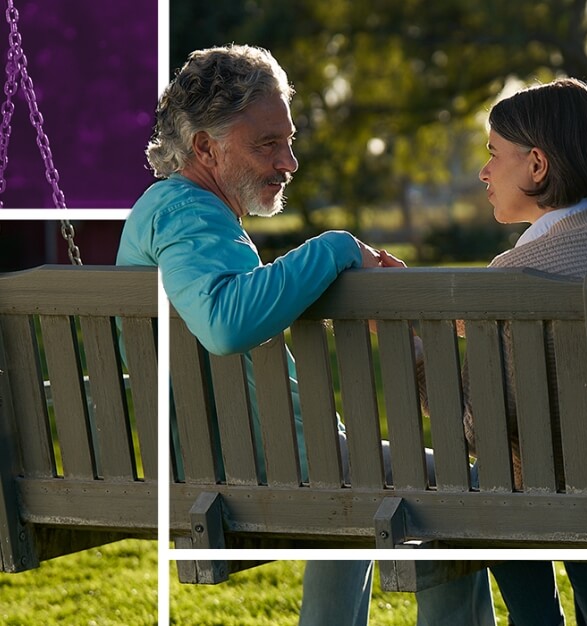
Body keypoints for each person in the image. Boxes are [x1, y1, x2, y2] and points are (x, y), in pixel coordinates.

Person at [116, 43, 493, 626]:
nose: (288, 161)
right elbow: (225, 324)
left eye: (288, 140)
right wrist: (336, 247)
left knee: (358, 471)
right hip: (261, 467)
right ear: (204, 147)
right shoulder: (186, 214)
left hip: (239, 458)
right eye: (267, 143)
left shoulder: (168, 213)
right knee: (468, 485)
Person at [382, 77, 587, 624]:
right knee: (572, 479)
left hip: (559, 494)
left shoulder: (515, 272)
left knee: (504, 477)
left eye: (493, 155)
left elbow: (475, 425)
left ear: (537, 166)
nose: (484, 172)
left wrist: (415, 350)